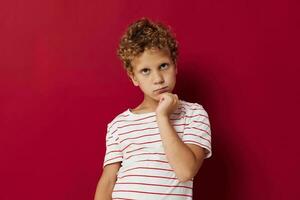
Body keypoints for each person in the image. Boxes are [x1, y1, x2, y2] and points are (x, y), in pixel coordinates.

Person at [94, 17, 212, 200]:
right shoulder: (119, 125)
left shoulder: (194, 114)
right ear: (133, 77)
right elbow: (108, 180)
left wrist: (162, 117)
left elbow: (185, 171)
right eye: (145, 71)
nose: (158, 79)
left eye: (163, 66)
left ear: (175, 65)